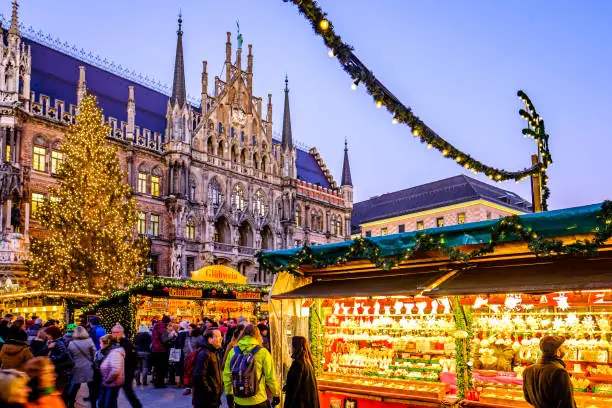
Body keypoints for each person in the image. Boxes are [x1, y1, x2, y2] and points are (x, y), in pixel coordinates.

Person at [223, 324, 280, 408]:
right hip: (258, 399)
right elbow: (271, 377)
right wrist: (276, 394)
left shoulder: (233, 351)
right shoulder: (263, 352)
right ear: (258, 336)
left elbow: (227, 375)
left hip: (239, 400)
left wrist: (229, 394)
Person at [523, 335, 577, 408]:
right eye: (563, 347)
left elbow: (527, 398)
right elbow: (566, 404)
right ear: (558, 350)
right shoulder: (559, 372)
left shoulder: (528, 370)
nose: (565, 349)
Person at [283, 336, 320, 408]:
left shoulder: (298, 364)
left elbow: (293, 389)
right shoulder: (307, 362)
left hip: (300, 404)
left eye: (292, 346)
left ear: (295, 348)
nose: (291, 348)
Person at [111, 324, 142, 408]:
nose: (114, 334)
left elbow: (133, 357)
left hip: (126, 373)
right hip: (116, 373)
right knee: (113, 394)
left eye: (117, 332)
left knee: (128, 392)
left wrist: (132, 370)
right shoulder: (113, 343)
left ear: (121, 332)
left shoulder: (126, 343)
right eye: (113, 332)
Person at [65, 326, 95, 408]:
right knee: (91, 388)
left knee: (75, 388)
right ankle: (93, 405)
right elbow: (94, 354)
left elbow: (70, 356)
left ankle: (71, 404)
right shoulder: (89, 341)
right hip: (88, 367)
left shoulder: (71, 343)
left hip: (77, 368)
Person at [193, 328, 223, 408]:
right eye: (217, 336)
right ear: (209, 339)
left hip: (214, 397)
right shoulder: (205, 354)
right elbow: (199, 376)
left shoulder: (214, 352)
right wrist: (210, 391)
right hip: (207, 400)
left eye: (220, 336)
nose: (220, 339)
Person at [96, 334, 125, 408]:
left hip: (112, 382)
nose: (100, 345)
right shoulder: (104, 351)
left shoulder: (114, 353)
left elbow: (116, 369)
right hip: (106, 381)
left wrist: (107, 379)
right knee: (105, 402)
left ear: (106, 343)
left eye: (101, 343)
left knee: (108, 403)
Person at [43, 326, 73, 394]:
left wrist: (52, 358)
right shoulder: (49, 342)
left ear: (52, 334)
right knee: (51, 386)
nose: (46, 335)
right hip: (53, 368)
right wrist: (47, 348)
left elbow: (64, 355)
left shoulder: (59, 343)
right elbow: (42, 351)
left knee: (56, 387)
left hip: (58, 369)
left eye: (48, 334)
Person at [151, 315, 170, 388]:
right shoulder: (162, 329)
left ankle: (156, 382)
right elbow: (165, 340)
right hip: (161, 350)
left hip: (155, 349)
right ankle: (160, 383)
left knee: (157, 367)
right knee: (162, 367)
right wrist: (172, 336)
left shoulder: (156, 327)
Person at [182, 326, 202, 395]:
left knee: (195, 373)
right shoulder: (187, 336)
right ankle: (188, 388)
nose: (188, 329)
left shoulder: (199, 337)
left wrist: (196, 353)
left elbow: (201, 347)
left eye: (190, 328)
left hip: (195, 357)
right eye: (188, 328)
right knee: (187, 373)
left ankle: (196, 387)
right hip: (187, 357)